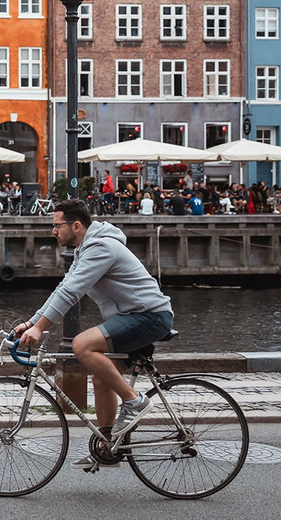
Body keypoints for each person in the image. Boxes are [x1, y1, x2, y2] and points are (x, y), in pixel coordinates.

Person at [11, 199, 173, 471]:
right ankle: (107, 446)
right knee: (101, 376)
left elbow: (72, 293)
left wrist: (42, 328)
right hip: (132, 317)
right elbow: (62, 288)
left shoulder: (100, 248)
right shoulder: (84, 250)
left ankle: (135, 401)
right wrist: (32, 322)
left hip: (149, 316)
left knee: (82, 344)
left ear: (76, 225)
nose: (53, 231)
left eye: (57, 225)